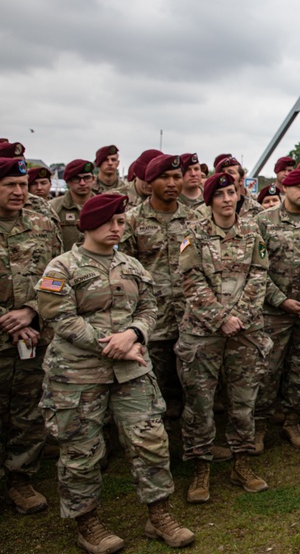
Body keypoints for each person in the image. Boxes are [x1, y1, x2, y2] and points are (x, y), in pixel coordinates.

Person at [37, 193, 195, 552]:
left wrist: (135, 334)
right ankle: (87, 523)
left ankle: (159, 516)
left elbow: (150, 307)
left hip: (131, 372)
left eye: (121, 222)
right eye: (110, 221)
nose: (117, 228)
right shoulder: (62, 267)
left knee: (151, 442)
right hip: (77, 376)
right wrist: (113, 344)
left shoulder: (133, 266)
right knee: (82, 451)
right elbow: (59, 317)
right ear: (88, 224)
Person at [176, 173, 271, 503]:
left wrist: (239, 317)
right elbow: (190, 280)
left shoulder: (251, 231)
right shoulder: (195, 234)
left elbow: (259, 276)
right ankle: (201, 468)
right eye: (220, 194)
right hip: (203, 333)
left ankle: (241, 463)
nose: (228, 199)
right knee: (200, 404)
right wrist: (220, 318)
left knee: (243, 403)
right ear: (210, 200)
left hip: (245, 332)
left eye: (232, 192)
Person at [0, 157, 61, 516]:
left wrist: (31, 310)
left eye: (22, 186)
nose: (20, 192)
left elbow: (55, 276)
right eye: (10, 185)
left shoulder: (41, 224)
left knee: (29, 411)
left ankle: (20, 479)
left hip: (33, 338)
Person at [252, 168, 300, 452]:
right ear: (285, 188)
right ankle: (259, 424)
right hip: (274, 312)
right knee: (267, 369)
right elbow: (255, 269)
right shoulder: (262, 221)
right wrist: (279, 299)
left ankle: (292, 420)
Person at [120, 154, 195, 419]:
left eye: (177, 177)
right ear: (150, 182)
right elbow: (123, 274)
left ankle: (193, 439)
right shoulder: (131, 221)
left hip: (190, 316)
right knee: (153, 385)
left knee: (193, 386)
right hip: (153, 320)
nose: (172, 183)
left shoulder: (195, 220)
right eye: (164, 177)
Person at [50, 159, 96, 248]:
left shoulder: (102, 206)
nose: (82, 183)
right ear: (67, 181)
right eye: (76, 179)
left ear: (93, 179)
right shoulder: (53, 207)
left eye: (87, 178)